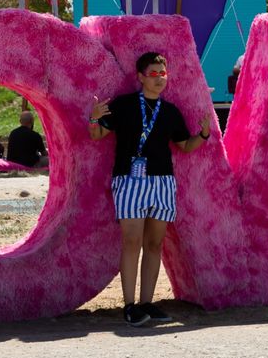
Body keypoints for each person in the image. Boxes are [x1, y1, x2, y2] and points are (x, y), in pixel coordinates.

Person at [90, 52, 211, 327]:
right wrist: (94, 118)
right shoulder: (123, 105)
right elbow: (96, 136)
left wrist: (203, 135)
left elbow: (184, 146)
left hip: (162, 182)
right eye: (153, 74)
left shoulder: (171, 111)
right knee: (131, 241)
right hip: (129, 181)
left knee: (155, 243)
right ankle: (130, 305)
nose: (159, 79)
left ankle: (147, 302)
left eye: (163, 74)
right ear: (141, 76)